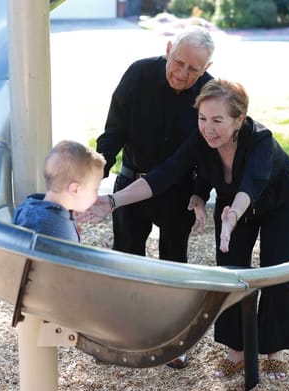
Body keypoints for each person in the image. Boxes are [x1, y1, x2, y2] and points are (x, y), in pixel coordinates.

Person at [84, 79, 289, 380]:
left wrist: (231, 218)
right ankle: (236, 351)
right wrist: (112, 201)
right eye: (202, 118)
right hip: (234, 205)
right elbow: (162, 176)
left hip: (281, 203)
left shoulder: (260, 140)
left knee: (278, 267)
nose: (208, 128)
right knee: (229, 272)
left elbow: (252, 183)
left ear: (239, 119)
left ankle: (275, 351)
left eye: (217, 120)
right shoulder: (200, 141)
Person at [96, 27, 215, 369]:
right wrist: (97, 174)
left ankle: (172, 341)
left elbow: (208, 150)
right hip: (132, 179)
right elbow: (113, 131)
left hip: (176, 189)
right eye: (178, 62)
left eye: (194, 70)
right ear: (168, 49)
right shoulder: (138, 74)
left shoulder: (209, 90)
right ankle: (126, 334)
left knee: (173, 264)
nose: (183, 74)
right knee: (127, 259)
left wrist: (198, 194)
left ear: (206, 67)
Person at [13, 140, 105, 242]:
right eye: (96, 188)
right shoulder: (55, 230)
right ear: (75, 190)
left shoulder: (30, 206)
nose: (97, 194)